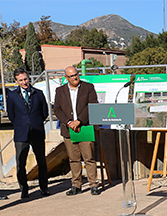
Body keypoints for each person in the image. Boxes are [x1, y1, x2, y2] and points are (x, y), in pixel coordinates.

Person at [54, 66, 100, 196]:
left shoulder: (88, 87)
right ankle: (76, 185)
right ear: (66, 78)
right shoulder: (60, 90)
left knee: (89, 158)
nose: (75, 77)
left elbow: (92, 105)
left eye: (76, 74)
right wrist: (69, 122)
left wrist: (79, 121)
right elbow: (57, 109)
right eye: (71, 76)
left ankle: (93, 185)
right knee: (73, 159)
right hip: (69, 130)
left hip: (84, 127)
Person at [6, 67, 49, 198]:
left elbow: (44, 112)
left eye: (25, 79)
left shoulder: (38, 93)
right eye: (21, 80)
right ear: (16, 81)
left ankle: (44, 188)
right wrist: (22, 124)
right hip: (21, 134)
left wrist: (34, 122)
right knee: (21, 163)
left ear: (28, 78)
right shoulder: (12, 96)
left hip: (37, 132)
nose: (24, 82)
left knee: (41, 161)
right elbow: (11, 115)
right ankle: (24, 189)